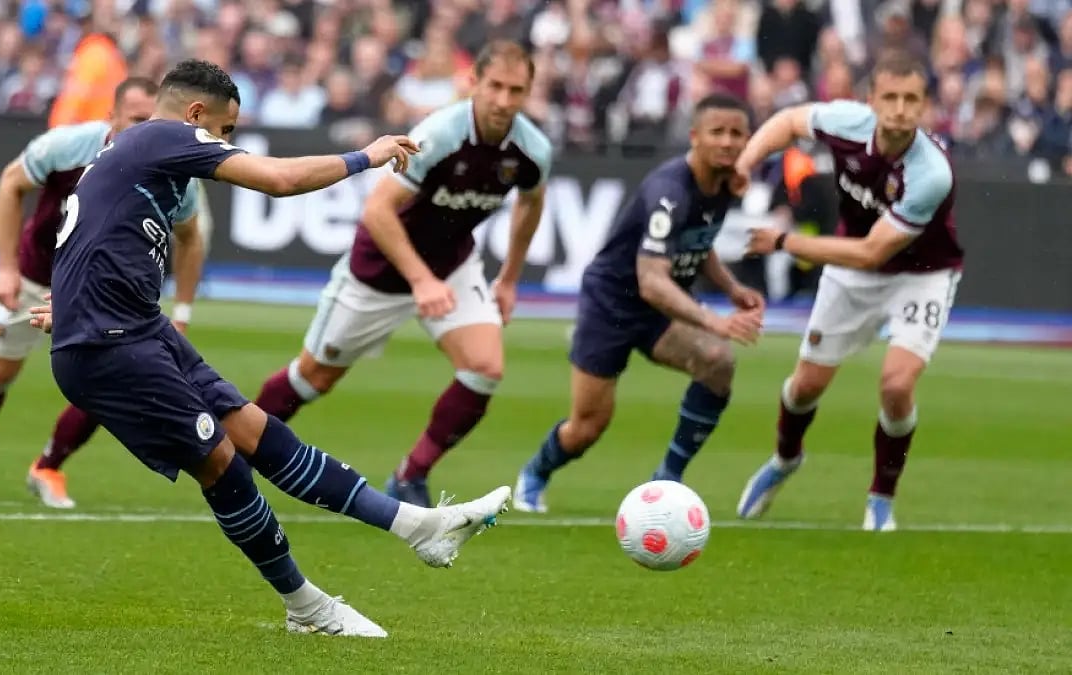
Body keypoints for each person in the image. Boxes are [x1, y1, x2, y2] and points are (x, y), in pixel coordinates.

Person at [33, 59, 511, 637]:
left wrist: (73, 304)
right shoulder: (165, 137)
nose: (225, 142)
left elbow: (90, 235)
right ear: (195, 114)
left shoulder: (130, 152)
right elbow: (279, 180)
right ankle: (307, 608)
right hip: (109, 344)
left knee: (259, 433)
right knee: (222, 464)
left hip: (135, 327)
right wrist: (367, 156)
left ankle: (420, 527)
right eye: (225, 130)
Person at [253, 40, 552, 508]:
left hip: (451, 266)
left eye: (516, 90)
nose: (503, 100)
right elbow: (378, 210)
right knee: (314, 377)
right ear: (473, 82)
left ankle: (411, 474)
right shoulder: (439, 134)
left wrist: (509, 280)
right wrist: (420, 280)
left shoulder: (533, 149)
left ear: (528, 93)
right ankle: (238, 449)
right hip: (379, 271)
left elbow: (531, 203)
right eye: (495, 86)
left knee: (485, 367)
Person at [0, 77, 206, 509]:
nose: (145, 128)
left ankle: (49, 466)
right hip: (38, 275)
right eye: (136, 118)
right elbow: (11, 183)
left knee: (108, 379)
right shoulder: (67, 146)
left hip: (104, 293)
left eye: (151, 119)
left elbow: (191, 236)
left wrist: (183, 312)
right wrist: (6, 270)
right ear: (111, 117)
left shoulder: (172, 170)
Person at [736, 51, 963, 531]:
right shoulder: (847, 122)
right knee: (805, 388)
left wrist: (784, 242)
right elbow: (787, 122)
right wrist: (746, 162)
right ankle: (784, 459)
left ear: (925, 106)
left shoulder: (931, 172)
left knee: (896, 385)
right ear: (871, 100)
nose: (900, 109)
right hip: (852, 271)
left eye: (911, 99)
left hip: (921, 274)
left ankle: (881, 498)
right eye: (890, 97)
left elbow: (871, 252)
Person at [513, 94, 765, 513]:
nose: (727, 141)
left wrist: (731, 287)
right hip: (612, 304)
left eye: (736, 133)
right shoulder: (671, 191)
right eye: (717, 132)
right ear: (694, 137)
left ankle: (667, 479)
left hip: (660, 309)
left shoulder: (724, 180)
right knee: (588, 426)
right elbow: (651, 282)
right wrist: (712, 319)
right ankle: (535, 473)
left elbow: (697, 241)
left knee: (717, 362)